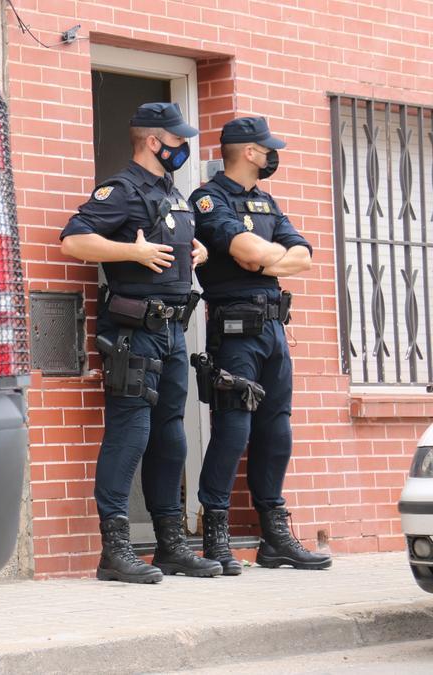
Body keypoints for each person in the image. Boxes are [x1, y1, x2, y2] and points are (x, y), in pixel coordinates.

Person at [61, 102, 220, 583]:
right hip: (133, 333)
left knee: (171, 436)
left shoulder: (174, 194)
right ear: (154, 141)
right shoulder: (123, 191)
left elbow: (179, 248)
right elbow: (73, 240)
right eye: (176, 140)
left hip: (173, 330)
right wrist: (131, 250)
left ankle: (171, 546)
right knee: (130, 433)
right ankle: (115, 551)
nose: (183, 148)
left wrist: (201, 251)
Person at [189, 116, 332, 575]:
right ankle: (215, 535)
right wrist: (268, 258)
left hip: (273, 330)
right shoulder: (209, 199)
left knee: (277, 431)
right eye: (268, 149)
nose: (273, 155)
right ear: (249, 152)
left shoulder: (266, 201)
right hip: (234, 331)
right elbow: (249, 253)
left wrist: (266, 258)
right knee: (234, 429)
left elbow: (305, 256)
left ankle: (275, 538)